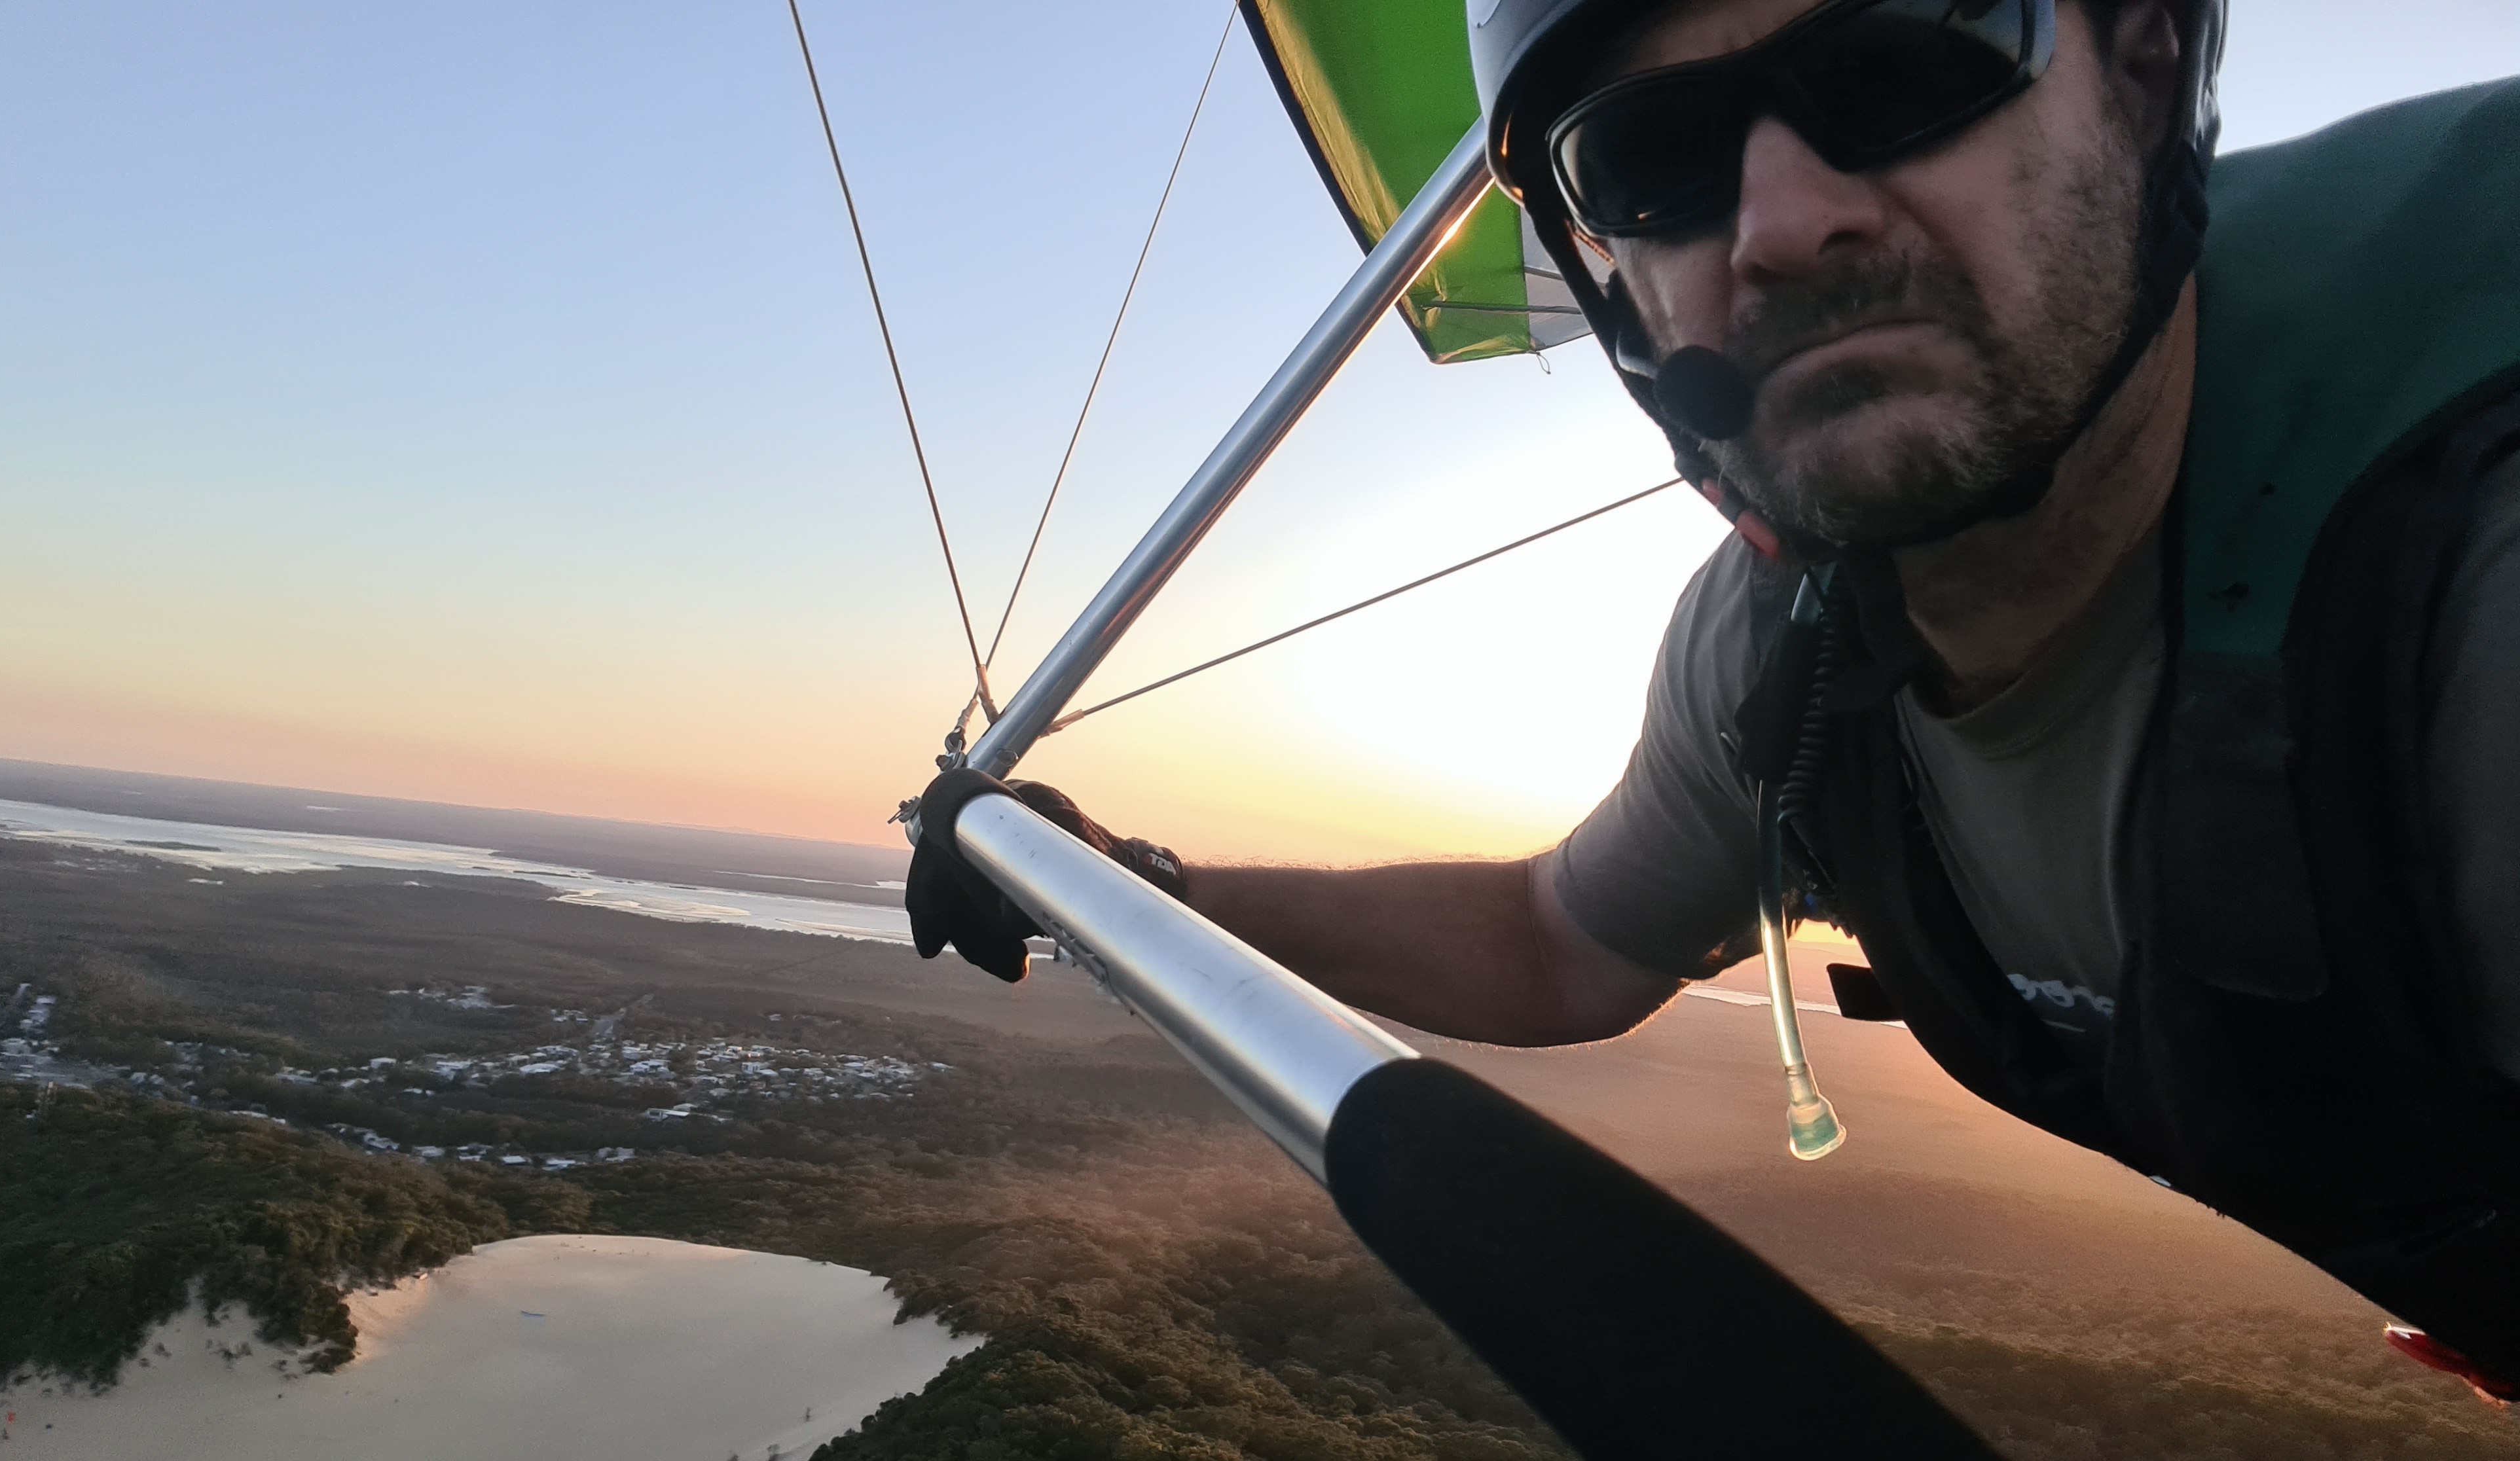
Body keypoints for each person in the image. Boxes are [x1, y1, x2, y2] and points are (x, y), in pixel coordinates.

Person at [908, 0, 2520, 1393]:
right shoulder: (1777, 646)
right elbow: (1558, 938)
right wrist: (1130, 888)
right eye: (1653, 158)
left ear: (2146, 72)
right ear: (1614, 281)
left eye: (1906, 63)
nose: (1782, 224)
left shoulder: (2465, 589)